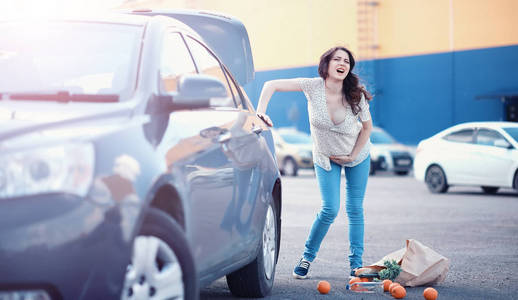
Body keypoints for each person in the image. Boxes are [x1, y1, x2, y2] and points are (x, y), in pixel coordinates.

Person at [256, 46, 373, 279]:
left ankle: (356, 264)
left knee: (355, 209)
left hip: (357, 155)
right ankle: (307, 257)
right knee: (330, 209)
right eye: (337, 59)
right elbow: (271, 85)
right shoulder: (312, 86)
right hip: (325, 157)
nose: (342, 63)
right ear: (326, 64)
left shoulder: (355, 94)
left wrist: (351, 155)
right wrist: (260, 113)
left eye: (347, 61)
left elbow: (367, 128)